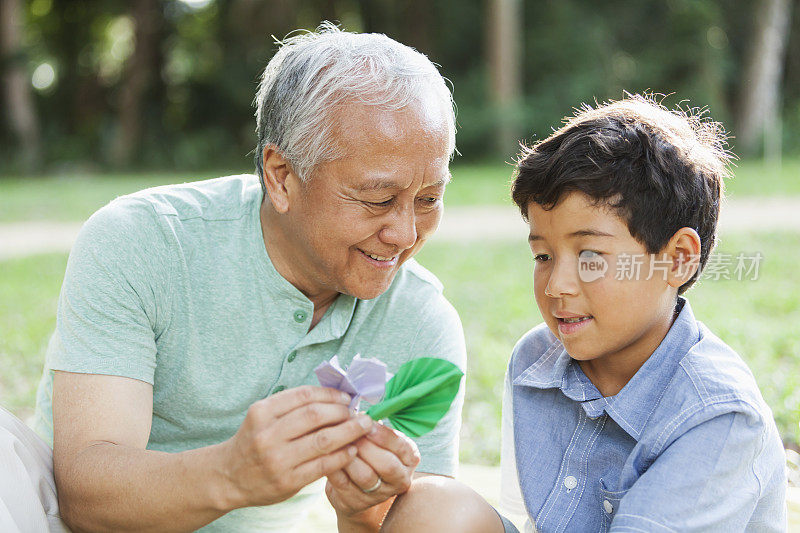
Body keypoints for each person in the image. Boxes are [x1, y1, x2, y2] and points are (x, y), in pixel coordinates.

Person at [10, 23, 485, 532]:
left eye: (429, 199)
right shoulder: (142, 242)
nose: (404, 233)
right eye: (377, 199)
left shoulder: (422, 320)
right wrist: (232, 475)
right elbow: (86, 496)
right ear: (281, 176)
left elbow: (414, 520)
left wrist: (358, 508)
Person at [498, 95, 788, 531]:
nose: (557, 285)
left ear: (677, 259)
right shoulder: (534, 361)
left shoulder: (717, 415)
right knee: (437, 510)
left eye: (591, 255)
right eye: (542, 255)